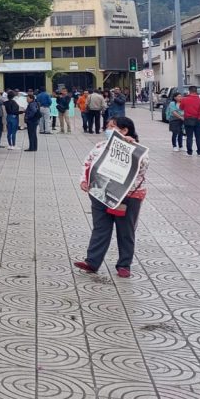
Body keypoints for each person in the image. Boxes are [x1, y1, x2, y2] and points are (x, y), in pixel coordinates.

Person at [74, 116, 149, 278]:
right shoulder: (101, 146)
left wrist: (129, 146)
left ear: (124, 131)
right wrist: (84, 180)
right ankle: (92, 261)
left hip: (128, 197)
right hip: (100, 193)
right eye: (107, 126)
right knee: (100, 228)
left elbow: (142, 168)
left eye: (112, 127)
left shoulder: (136, 149)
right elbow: (88, 163)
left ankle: (124, 265)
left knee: (125, 231)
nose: (108, 130)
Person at [179, 85, 200, 155]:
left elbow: (181, 108)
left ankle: (189, 152)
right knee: (198, 136)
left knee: (189, 136)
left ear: (189, 91)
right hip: (199, 120)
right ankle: (199, 151)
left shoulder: (184, 99)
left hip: (188, 119)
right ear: (196, 91)